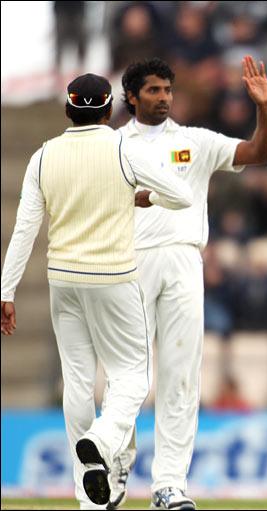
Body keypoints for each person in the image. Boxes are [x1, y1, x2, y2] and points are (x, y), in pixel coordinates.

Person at [0, 73, 193, 509]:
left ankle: (89, 498)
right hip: (114, 278)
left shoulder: (44, 156)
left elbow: (25, 229)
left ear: (69, 110)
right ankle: (103, 442)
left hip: (63, 281)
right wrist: (147, 200)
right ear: (109, 111)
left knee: (78, 383)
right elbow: (181, 196)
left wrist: (5, 291)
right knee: (132, 376)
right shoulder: (125, 148)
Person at [107, 56, 267, 510]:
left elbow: (259, 153)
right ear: (132, 96)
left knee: (181, 376)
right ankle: (118, 467)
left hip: (183, 259)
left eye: (168, 90)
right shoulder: (113, 146)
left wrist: (264, 108)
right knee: (129, 376)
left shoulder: (194, 141)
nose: (163, 98)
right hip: (129, 263)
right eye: (154, 91)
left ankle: (169, 484)